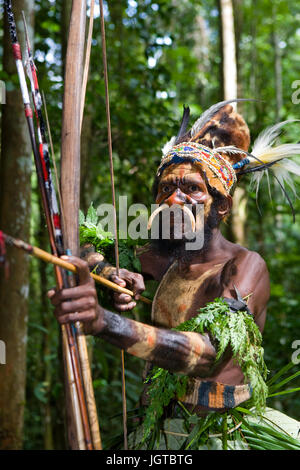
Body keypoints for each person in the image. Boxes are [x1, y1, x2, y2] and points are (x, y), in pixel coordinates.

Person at [47, 100, 299, 416]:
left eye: (191, 188)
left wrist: (103, 322)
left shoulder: (245, 267)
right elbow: (86, 249)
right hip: (156, 426)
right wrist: (112, 274)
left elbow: (209, 355)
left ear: (222, 206)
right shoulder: (161, 258)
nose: (174, 199)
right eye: (166, 188)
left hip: (220, 434)